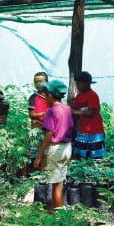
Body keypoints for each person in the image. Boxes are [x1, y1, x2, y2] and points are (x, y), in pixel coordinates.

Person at [34, 80, 74, 209]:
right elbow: (62, 127)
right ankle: (53, 209)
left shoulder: (51, 111)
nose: (44, 98)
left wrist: (39, 156)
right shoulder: (67, 109)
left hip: (55, 149)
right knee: (59, 181)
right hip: (67, 147)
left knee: (55, 183)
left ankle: (59, 213)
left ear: (50, 96)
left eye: (45, 95)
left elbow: (49, 134)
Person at [70, 71, 106, 159]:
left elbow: (90, 112)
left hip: (95, 131)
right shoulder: (79, 96)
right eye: (76, 83)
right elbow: (71, 107)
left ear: (86, 84)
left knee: (95, 156)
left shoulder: (93, 95)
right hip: (82, 130)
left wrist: (74, 111)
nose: (77, 86)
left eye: (79, 83)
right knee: (81, 155)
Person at [25, 72, 50, 172]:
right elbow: (31, 114)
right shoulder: (33, 97)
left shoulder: (51, 96)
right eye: (35, 82)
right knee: (35, 152)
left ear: (47, 82)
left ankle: (43, 173)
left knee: (46, 152)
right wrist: (43, 113)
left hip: (49, 129)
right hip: (37, 128)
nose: (38, 84)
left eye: (41, 81)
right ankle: (30, 173)